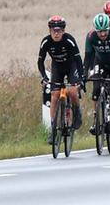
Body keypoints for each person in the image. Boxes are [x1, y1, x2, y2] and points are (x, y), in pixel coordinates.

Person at [37, 15, 83, 143]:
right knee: (55, 95)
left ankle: (77, 112)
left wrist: (81, 78)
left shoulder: (69, 40)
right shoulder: (46, 42)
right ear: (50, 31)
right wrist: (44, 77)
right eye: (53, 31)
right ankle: (53, 129)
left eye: (59, 31)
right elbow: (40, 62)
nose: (56, 34)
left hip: (71, 65)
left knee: (73, 91)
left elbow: (79, 60)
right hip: (57, 66)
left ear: (63, 31)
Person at [83, 13, 110, 135]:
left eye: (105, 31)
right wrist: (84, 75)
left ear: (109, 28)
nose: (102, 34)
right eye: (99, 31)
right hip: (99, 62)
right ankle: (96, 120)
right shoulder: (91, 36)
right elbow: (88, 58)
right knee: (96, 88)